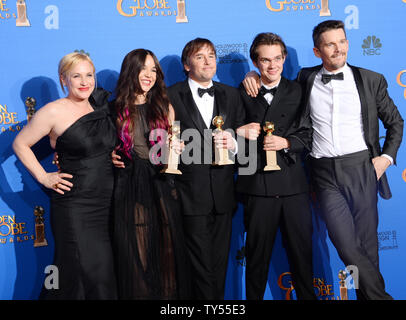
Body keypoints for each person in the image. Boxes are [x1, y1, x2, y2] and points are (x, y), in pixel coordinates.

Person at [243, 20, 404, 300]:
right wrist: (251, 75)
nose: (338, 48)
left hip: (362, 168)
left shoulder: (371, 79)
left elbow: (396, 123)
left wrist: (386, 158)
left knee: (367, 247)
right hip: (323, 172)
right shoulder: (305, 79)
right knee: (345, 246)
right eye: (330, 44)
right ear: (317, 51)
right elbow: (274, 83)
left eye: (342, 41)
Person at [12, 52, 118, 299]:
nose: (84, 82)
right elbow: (20, 144)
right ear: (63, 80)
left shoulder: (101, 105)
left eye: (89, 75)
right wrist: (44, 177)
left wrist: (111, 154)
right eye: (76, 76)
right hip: (75, 205)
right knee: (77, 271)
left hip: (108, 201)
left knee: (104, 273)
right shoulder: (53, 112)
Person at [236, 33, 316, 300]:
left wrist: (286, 142)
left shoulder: (300, 90)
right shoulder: (241, 91)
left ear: (284, 59)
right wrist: (238, 131)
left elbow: (310, 134)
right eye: (265, 60)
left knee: (303, 260)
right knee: (256, 263)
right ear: (255, 62)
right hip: (257, 187)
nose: (272, 66)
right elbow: (222, 135)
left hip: (293, 186)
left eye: (278, 59)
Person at [167, 38, 245, 299]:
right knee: (198, 265)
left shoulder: (231, 94)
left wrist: (233, 141)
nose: (208, 61)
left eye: (211, 55)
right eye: (200, 56)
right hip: (188, 194)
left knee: (219, 263)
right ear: (186, 65)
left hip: (223, 195)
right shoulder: (170, 95)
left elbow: (245, 143)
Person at [111, 49, 191, 299]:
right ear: (130, 71)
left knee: (168, 253)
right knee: (138, 254)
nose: (149, 75)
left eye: (153, 70)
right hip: (130, 186)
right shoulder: (113, 109)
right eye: (143, 69)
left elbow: (171, 150)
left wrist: (177, 148)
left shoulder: (163, 105)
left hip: (162, 184)